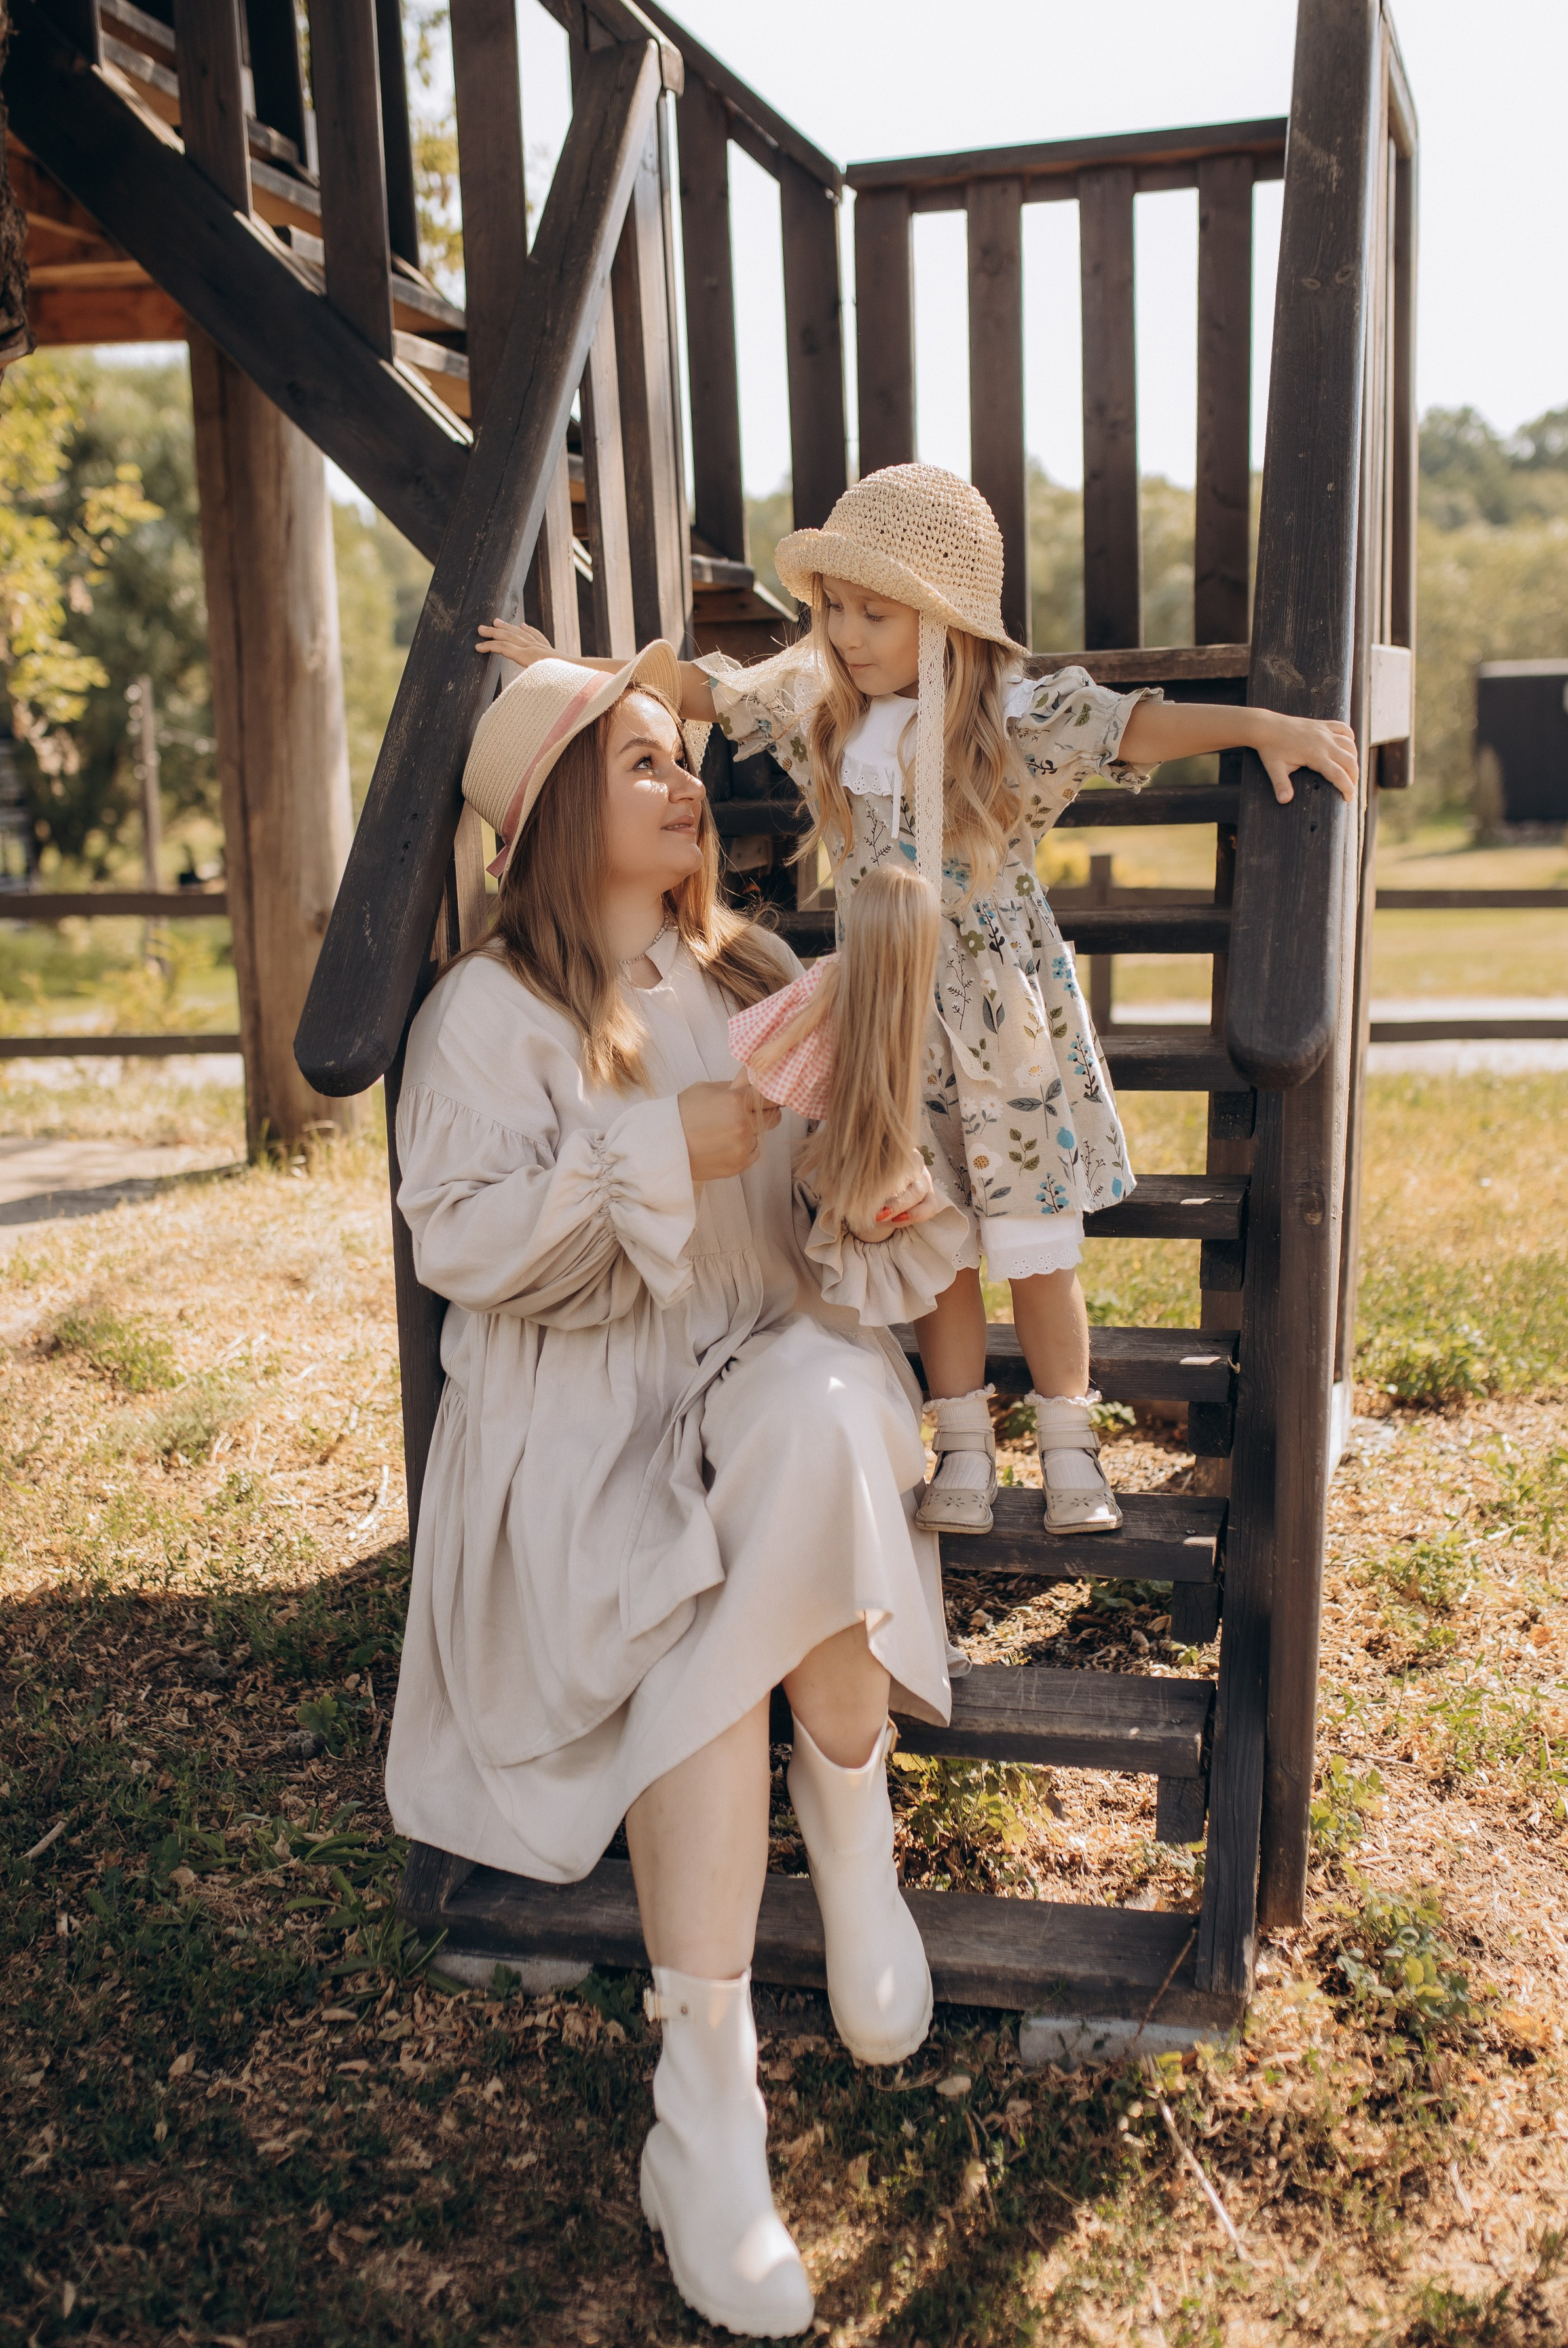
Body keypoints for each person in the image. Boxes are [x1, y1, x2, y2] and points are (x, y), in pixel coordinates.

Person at [386, 643, 970, 2339]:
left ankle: (849, 1848)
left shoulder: (759, 969)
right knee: (698, 1600)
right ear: (549, 815)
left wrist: (865, 1188)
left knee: (828, 1405)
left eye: (679, 754)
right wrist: (667, 1142)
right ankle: (707, 2100)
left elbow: (831, 1237)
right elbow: (465, 1239)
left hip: (756, 1370)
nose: (682, 780)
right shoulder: (488, 1016)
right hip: (581, 1425)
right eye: (636, 760)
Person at [479, 463, 1358, 1540]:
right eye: (835, 609)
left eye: (875, 613)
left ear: (943, 624)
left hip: (1002, 1034)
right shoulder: (820, 707)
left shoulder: (1011, 721)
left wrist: (1265, 727)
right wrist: (573, 675)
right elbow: (701, 694)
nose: (847, 635)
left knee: (1035, 1248)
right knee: (928, 1237)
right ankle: (965, 1442)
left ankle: (1070, 1442)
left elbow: (1131, 727)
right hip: (889, 1026)